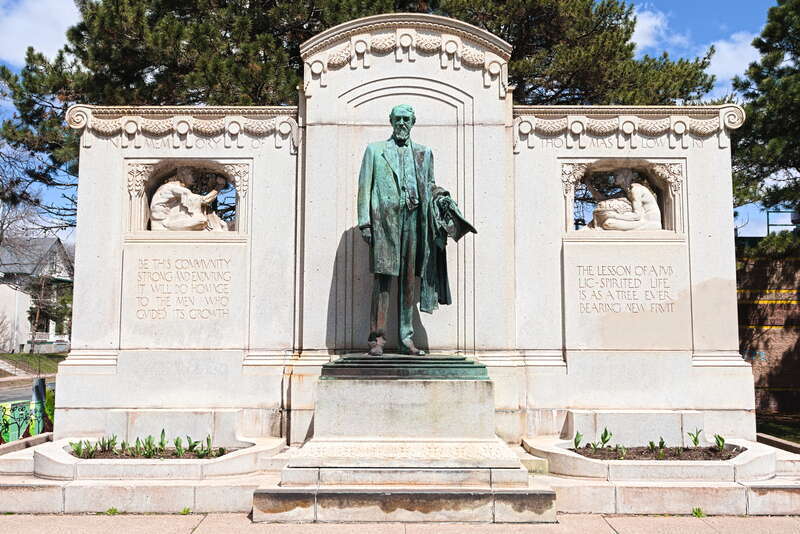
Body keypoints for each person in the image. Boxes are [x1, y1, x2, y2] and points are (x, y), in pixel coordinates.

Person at [357, 104, 468, 356]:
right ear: (391, 120)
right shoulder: (375, 151)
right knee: (382, 280)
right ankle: (377, 339)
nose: (402, 123)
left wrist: (442, 199)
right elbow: (364, 188)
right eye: (397, 119)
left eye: (406, 119)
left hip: (414, 223)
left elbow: (429, 185)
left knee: (409, 282)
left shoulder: (424, 153)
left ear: (413, 122)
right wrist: (365, 223)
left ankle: (406, 338)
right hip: (384, 223)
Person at [149, 167, 229, 232]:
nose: (194, 178)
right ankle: (217, 227)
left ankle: (217, 226)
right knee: (201, 221)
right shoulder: (175, 188)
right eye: (192, 174)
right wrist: (219, 186)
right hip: (163, 225)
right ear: (183, 175)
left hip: (164, 221)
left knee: (205, 210)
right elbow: (204, 200)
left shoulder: (173, 188)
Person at [585, 169, 662, 231]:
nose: (614, 177)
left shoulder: (635, 190)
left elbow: (637, 216)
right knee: (603, 218)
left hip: (649, 223)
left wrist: (614, 215)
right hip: (640, 220)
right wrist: (588, 184)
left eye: (617, 175)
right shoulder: (626, 192)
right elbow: (601, 199)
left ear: (624, 176)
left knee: (608, 223)